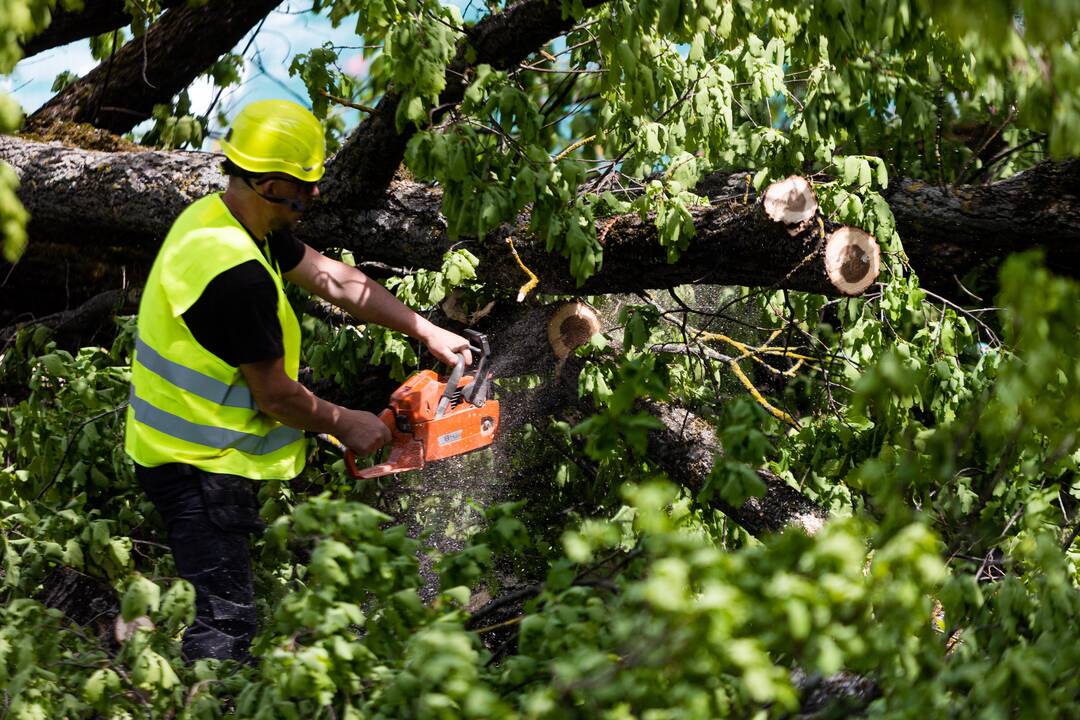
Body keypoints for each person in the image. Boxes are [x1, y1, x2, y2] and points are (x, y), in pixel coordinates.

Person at [124, 99, 471, 662]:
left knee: (228, 604)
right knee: (225, 627)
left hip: (195, 448)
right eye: (304, 185)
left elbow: (334, 280)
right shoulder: (234, 277)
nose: (314, 196)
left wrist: (425, 329)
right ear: (266, 182)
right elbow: (276, 397)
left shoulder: (228, 218)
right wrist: (348, 423)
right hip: (195, 463)